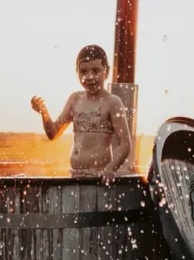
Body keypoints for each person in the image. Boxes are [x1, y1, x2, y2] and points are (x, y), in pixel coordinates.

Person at [30, 44, 131, 184]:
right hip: (75, 175)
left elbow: (125, 144)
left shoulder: (112, 102)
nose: (89, 77)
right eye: (83, 72)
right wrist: (44, 113)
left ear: (106, 72)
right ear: (77, 73)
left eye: (96, 71)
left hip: (99, 177)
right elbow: (53, 133)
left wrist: (110, 169)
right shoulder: (75, 99)